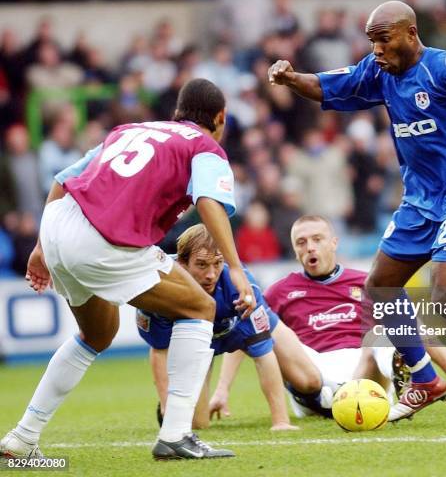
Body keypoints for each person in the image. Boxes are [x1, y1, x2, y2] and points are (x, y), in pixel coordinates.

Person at [268, 1, 446, 425]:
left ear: (410, 33)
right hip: (420, 202)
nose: (377, 50)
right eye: (372, 41)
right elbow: (327, 86)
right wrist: (290, 78)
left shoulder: (445, 67)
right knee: (380, 285)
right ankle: (424, 379)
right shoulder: (377, 70)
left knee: (444, 295)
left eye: (383, 40)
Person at [0, 78, 256, 462]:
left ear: (176, 113)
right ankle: (176, 434)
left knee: (97, 333)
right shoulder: (205, 146)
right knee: (200, 308)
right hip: (100, 239)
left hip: (57, 223)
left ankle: (22, 438)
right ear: (221, 118)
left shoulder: (129, 129)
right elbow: (209, 201)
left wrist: (41, 246)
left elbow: (62, 179)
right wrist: (234, 268)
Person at [210, 215, 446, 419]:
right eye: (302, 242)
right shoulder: (281, 290)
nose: (310, 247)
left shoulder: (369, 283)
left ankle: (398, 372)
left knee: (385, 330)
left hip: (363, 368)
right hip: (311, 369)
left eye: (317, 239)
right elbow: (248, 335)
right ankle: (344, 388)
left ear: (334, 243)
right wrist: (222, 390)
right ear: (295, 250)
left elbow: (419, 331)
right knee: (258, 320)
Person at [136, 223, 301, 431]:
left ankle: (308, 401)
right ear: (182, 263)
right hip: (197, 342)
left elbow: (263, 353)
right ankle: (174, 401)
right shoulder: (159, 286)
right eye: (202, 265)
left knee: (308, 380)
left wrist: (281, 422)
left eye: (217, 264)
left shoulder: (241, 288)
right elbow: (160, 350)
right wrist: (168, 407)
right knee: (197, 424)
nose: (211, 275)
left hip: (235, 327)